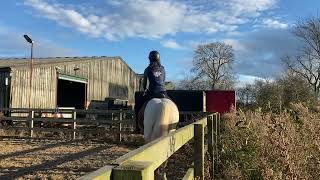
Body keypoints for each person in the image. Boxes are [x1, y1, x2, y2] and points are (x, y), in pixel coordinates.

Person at [134, 50, 167, 133]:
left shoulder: (148, 69)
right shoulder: (163, 68)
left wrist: (144, 90)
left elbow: (144, 83)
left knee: (138, 106)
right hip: (163, 92)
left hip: (152, 92)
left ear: (150, 59)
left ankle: (137, 127)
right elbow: (163, 80)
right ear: (158, 59)